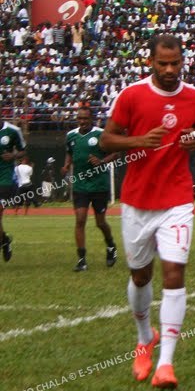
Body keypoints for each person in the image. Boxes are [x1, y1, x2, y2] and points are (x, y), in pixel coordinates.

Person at [100, 34, 195, 390]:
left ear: (183, 61)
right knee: (140, 276)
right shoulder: (131, 95)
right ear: (150, 62)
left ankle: (166, 364)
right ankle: (145, 337)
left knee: (174, 273)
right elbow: (107, 139)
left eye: (175, 63)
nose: (168, 69)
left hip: (177, 199)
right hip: (137, 200)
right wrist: (137, 141)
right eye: (162, 63)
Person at [64, 106, 119, 272]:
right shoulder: (71, 136)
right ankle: (81, 259)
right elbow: (69, 153)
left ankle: (110, 245)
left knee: (100, 222)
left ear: (92, 119)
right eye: (79, 118)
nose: (82, 121)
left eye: (85, 119)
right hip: (80, 185)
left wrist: (102, 162)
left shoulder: (100, 134)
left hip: (98, 185)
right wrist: (66, 165)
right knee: (80, 220)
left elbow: (116, 153)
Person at [0, 119, 26, 261]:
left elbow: (23, 151)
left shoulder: (12, 130)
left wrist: (14, 155)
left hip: (5, 178)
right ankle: (5, 240)